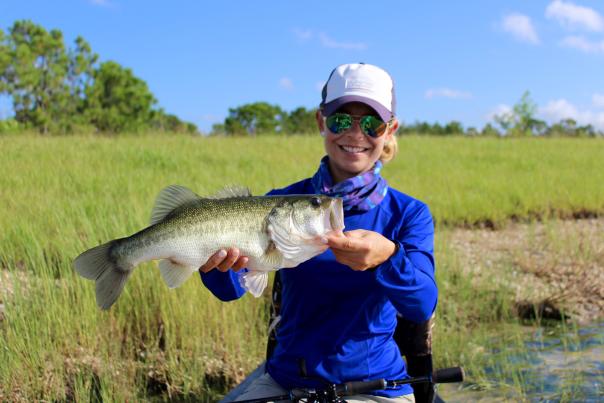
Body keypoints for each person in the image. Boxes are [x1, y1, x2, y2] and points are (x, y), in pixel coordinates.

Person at [199, 63, 438, 402]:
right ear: (321, 122)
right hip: (286, 383)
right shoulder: (278, 203)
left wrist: (388, 258)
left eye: (372, 123)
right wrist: (217, 266)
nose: (356, 134)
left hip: (374, 389)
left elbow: (422, 304)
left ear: (389, 129)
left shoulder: (409, 214)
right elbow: (232, 289)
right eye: (341, 120)